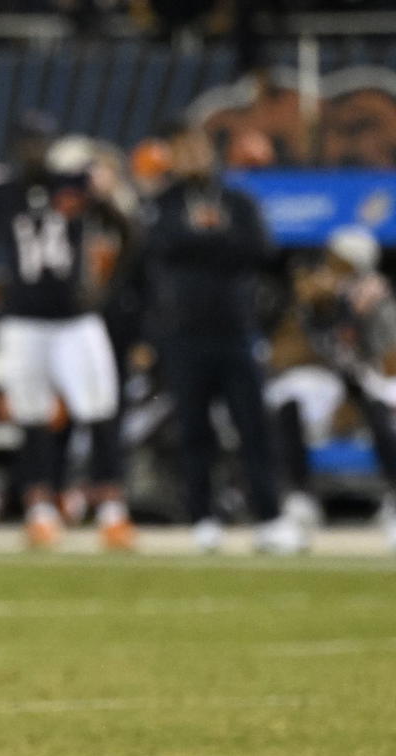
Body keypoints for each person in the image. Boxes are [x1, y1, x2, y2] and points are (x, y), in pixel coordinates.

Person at [0, 114, 136, 551]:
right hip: (24, 322)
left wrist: (106, 287)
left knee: (99, 411)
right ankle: (40, 511)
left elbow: (127, 228)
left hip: (75, 320)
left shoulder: (75, 182)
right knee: (32, 418)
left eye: (41, 142)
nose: (35, 151)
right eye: (28, 143)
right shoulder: (0, 189)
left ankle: (112, 512)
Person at [142, 118, 299, 554]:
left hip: (235, 331)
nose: (191, 156)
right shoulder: (164, 203)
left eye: (196, 147)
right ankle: (203, 519)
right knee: (193, 431)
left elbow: (258, 249)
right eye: (182, 149)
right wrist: (214, 241)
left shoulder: (237, 200)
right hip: (183, 334)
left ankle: (270, 518)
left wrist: (199, 242)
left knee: (254, 427)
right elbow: (161, 246)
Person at [269, 225, 396, 550]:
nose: (332, 266)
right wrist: (312, 307)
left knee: (379, 406)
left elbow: (388, 360)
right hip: (329, 379)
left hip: (369, 377)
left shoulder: (374, 296)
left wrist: (362, 314)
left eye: (341, 261)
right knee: (289, 400)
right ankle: (298, 498)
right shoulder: (311, 295)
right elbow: (285, 356)